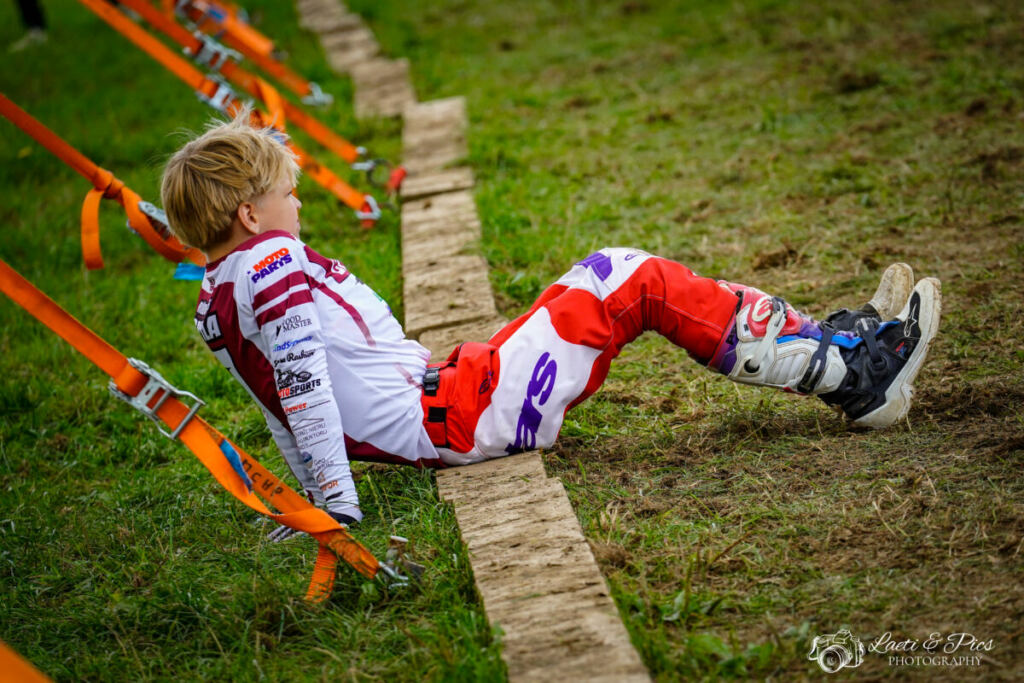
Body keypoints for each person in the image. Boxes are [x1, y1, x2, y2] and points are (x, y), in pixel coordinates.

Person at [160, 112, 941, 532]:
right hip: (461, 412)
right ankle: (855, 375)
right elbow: (299, 389)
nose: (299, 203)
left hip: (455, 395)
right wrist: (333, 503)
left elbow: (277, 403)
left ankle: (828, 346)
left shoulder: (217, 294)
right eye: (289, 193)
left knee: (611, 275)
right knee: (628, 278)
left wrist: (308, 496)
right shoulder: (269, 261)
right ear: (250, 213)